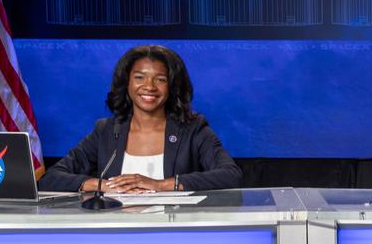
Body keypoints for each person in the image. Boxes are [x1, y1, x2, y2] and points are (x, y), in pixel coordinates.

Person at [38, 45, 240, 193]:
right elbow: (51, 178)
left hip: (175, 232)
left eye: (160, 79)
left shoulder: (193, 130)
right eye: (139, 77)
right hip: (115, 233)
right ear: (127, 83)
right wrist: (104, 186)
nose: (149, 86)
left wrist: (161, 184)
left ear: (172, 87)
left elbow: (231, 175)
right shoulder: (106, 131)